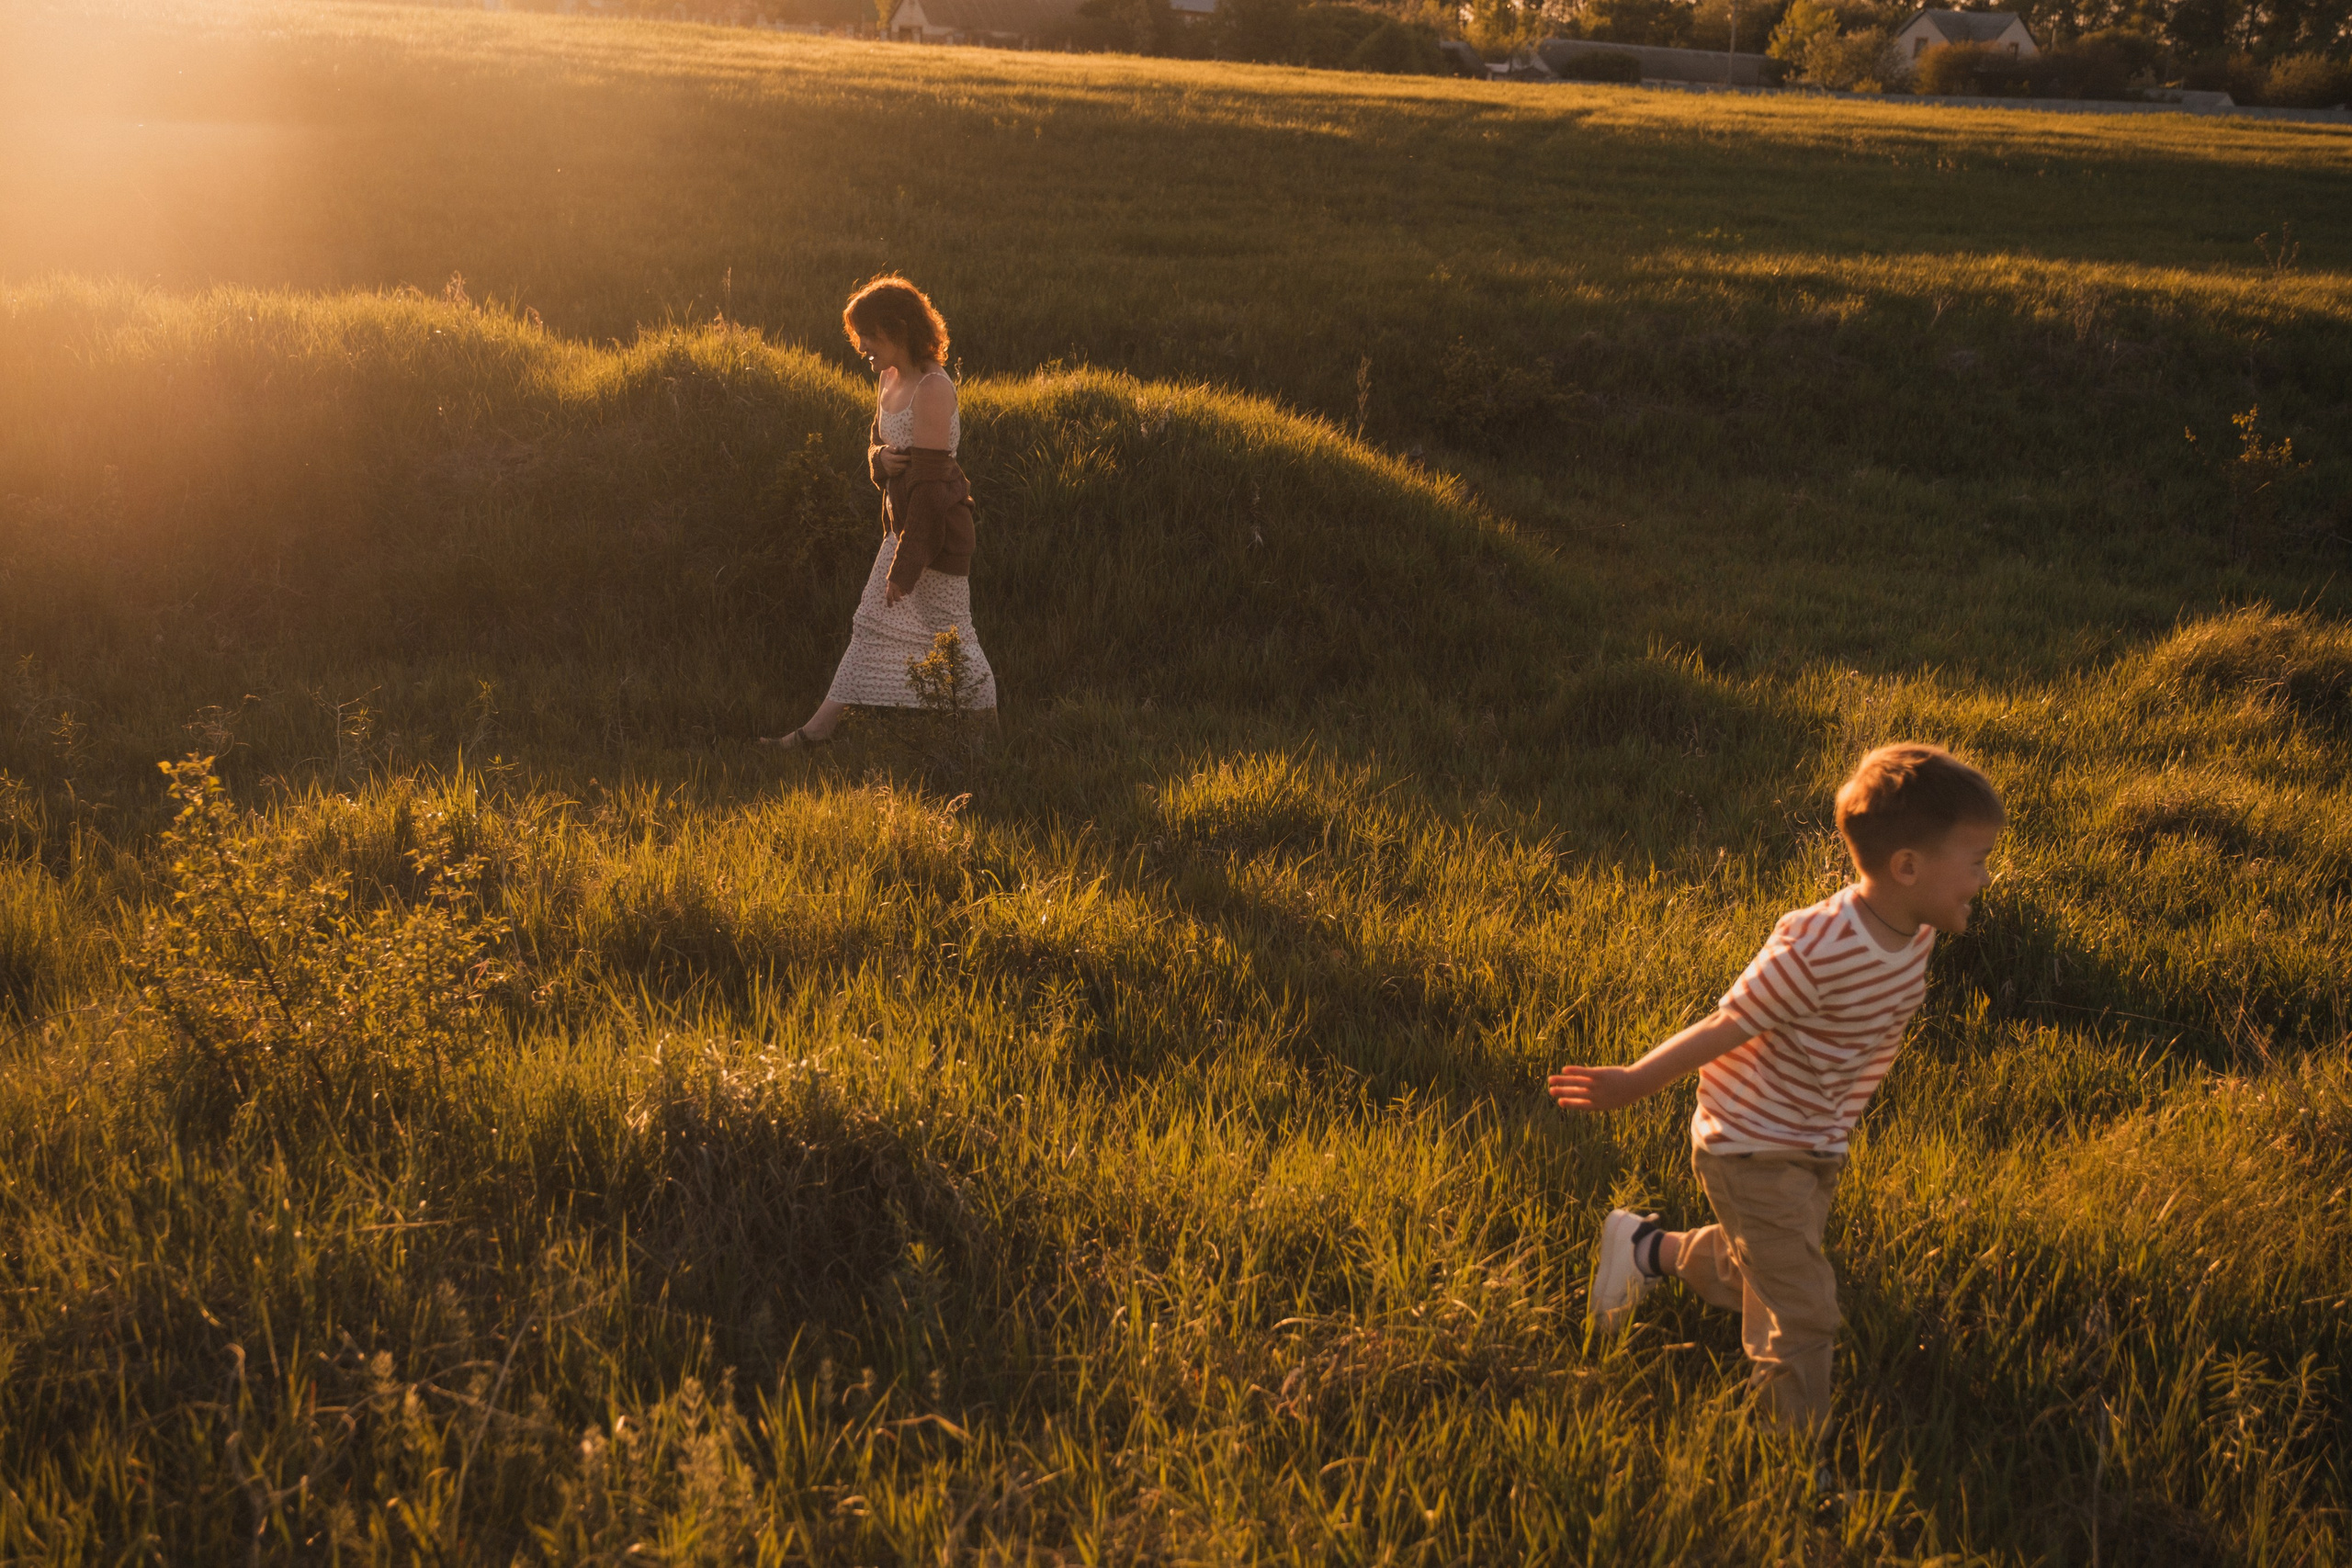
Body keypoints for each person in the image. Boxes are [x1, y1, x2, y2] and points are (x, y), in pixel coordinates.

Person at [1547, 743, 2005, 1434]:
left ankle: (1644, 1249)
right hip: (1751, 1143)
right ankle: (1791, 1454)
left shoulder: (1914, 928)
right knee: (1803, 1308)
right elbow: (1727, 1023)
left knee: (1762, 1267)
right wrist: (1634, 1080)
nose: (1984, 878)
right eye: (1975, 861)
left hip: (1817, 1137)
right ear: (1908, 867)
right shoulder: (1818, 947)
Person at [763, 276, 997, 749]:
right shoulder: (890, 377)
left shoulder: (932, 388)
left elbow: (931, 490)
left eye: (869, 335)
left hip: (937, 536)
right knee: (872, 627)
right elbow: (881, 441)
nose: (861, 347)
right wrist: (879, 459)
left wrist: (904, 567)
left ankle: (988, 738)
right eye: (859, 336)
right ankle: (816, 734)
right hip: (903, 531)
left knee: (953, 635)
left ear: (899, 329)